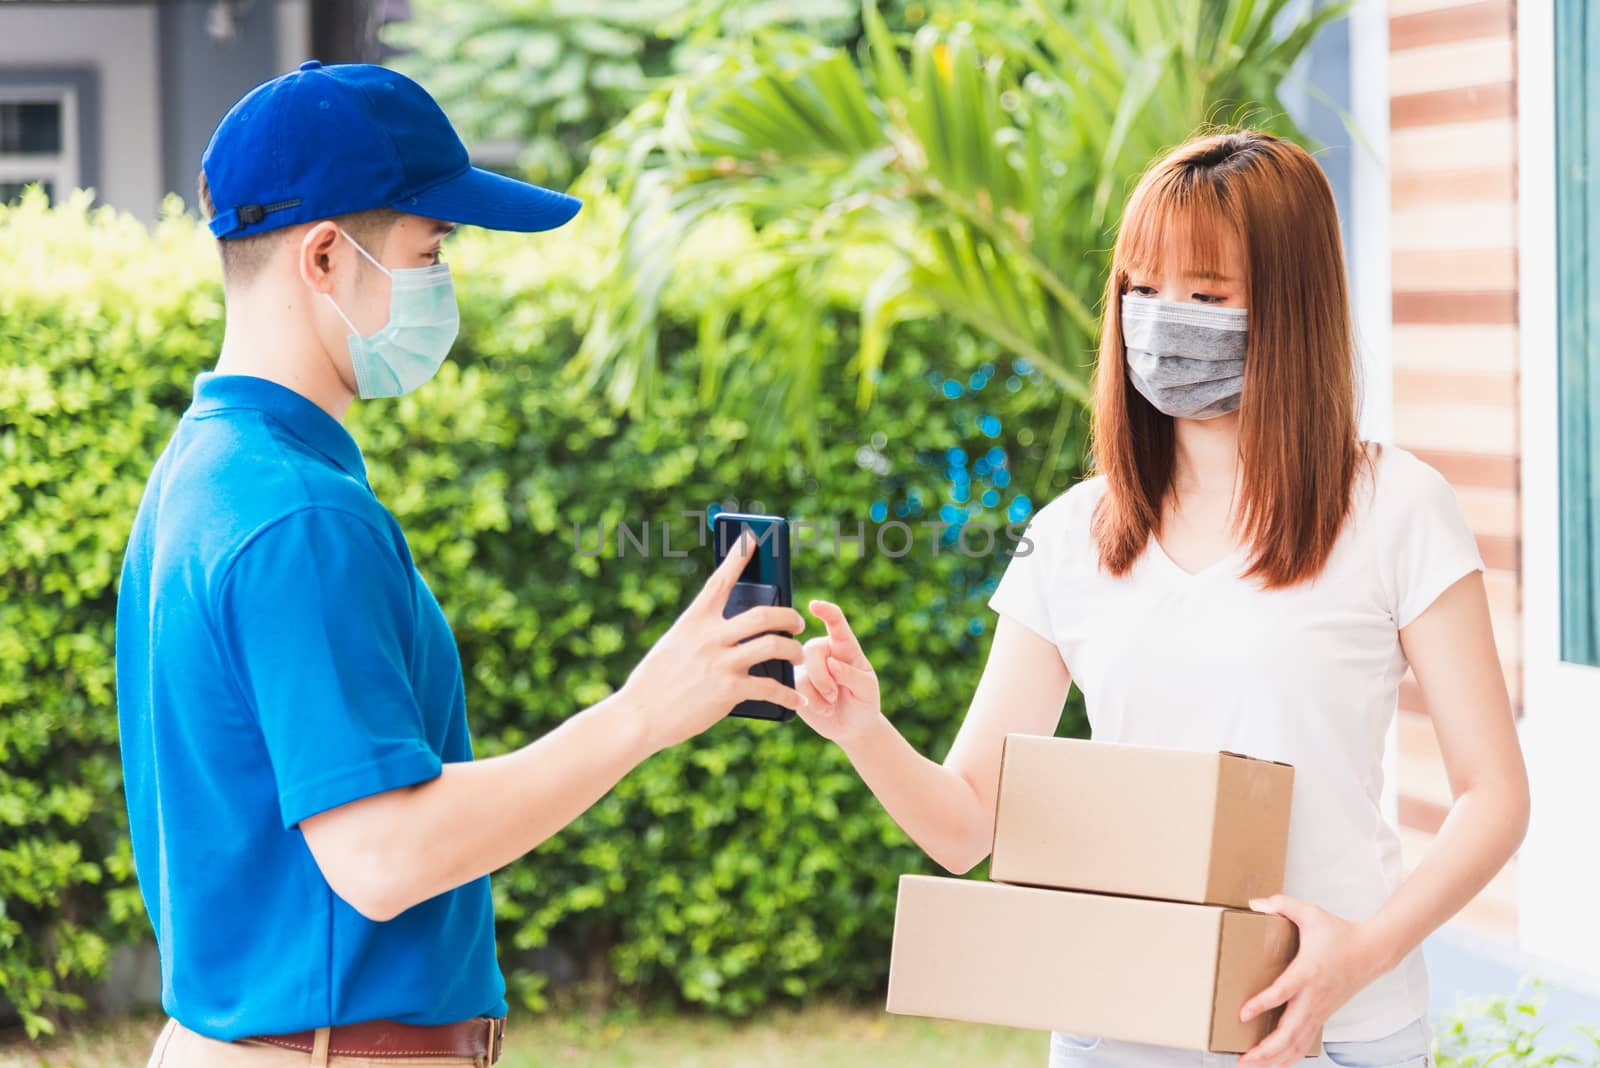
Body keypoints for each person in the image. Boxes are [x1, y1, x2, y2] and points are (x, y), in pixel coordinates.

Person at [117, 61, 806, 1068]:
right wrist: (645, 711)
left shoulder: (205, 469)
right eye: (429, 249)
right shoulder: (300, 515)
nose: (442, 283)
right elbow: (382, 854)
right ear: (323, 257)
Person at [792, 130, 1531, 1068]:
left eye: (1206, 296)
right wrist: (864, 728)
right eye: (1140, 290)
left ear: (1290, 304)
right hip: (1121, 1027)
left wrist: (1360, 955)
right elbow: (965, 825)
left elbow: (1494, 796)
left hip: (1339, 1031)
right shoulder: (1072, 536)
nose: (1161, 319)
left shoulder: (1395, 508)